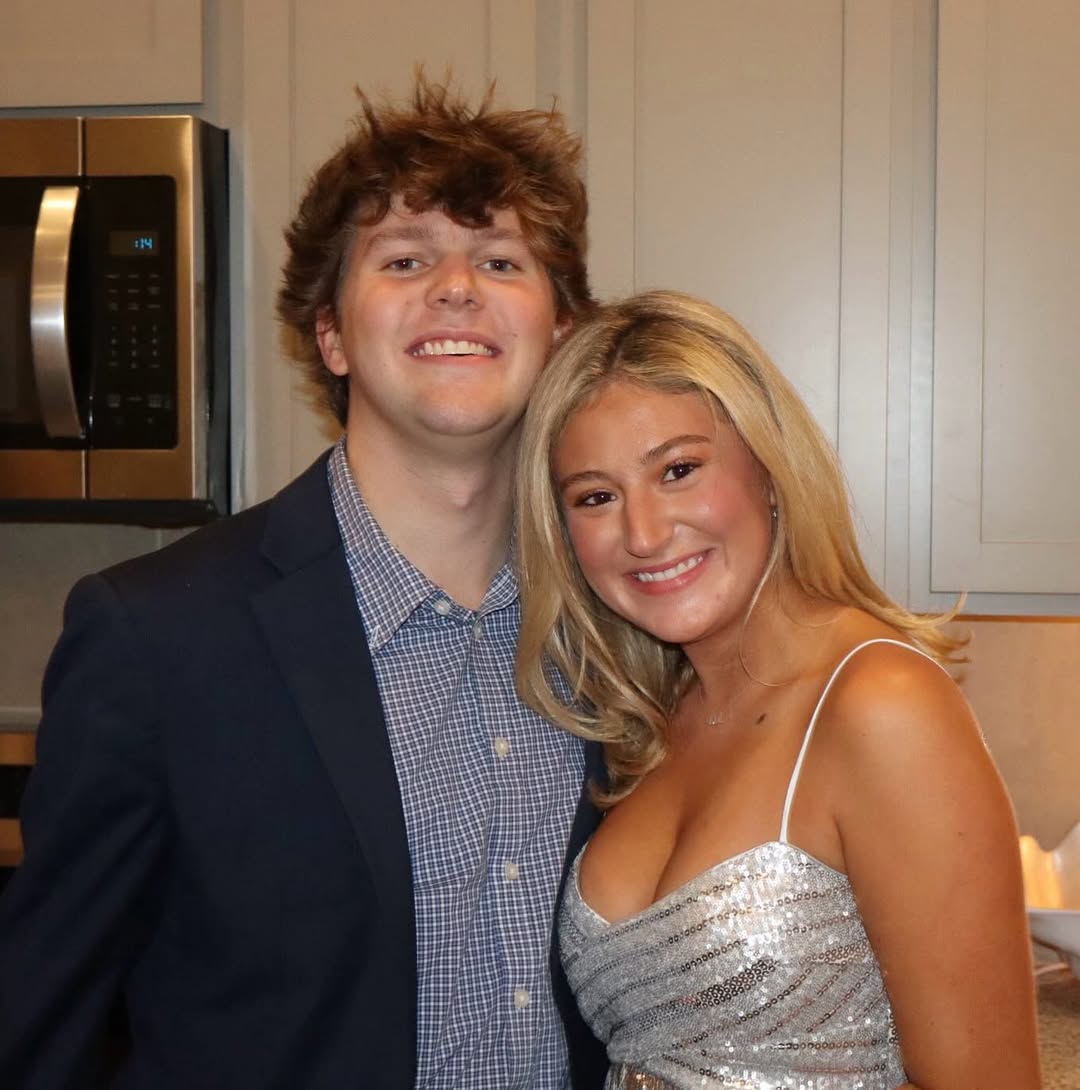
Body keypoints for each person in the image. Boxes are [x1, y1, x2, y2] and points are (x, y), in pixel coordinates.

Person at [0, 78, 609, 1089]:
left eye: (502, 261)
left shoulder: (624, 624)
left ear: (560, 332)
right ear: (330, 335)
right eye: (405, 258)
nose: (457, 287)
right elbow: (41, 1023)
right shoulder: (155, 641)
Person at [514, 290, 1042, 1089]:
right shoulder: (653, 721)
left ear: (768, 468)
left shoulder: (880, 703)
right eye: (596, 497)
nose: (644, 534)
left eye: (679, 470)